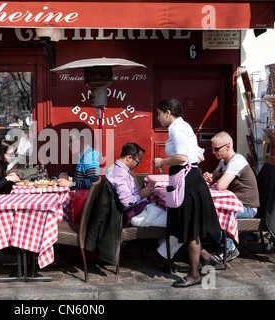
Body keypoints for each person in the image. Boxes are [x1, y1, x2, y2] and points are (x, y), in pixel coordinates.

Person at [153, 98, 222, 288]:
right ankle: (207, 258)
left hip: (187, 182)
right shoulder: (184, 127)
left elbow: (182, 158)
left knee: (190, 230)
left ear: (168, 112)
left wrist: (162, 162)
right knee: (189, 227)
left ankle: (194, 275)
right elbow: (200, 154)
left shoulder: (177, 129)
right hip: (191, 180)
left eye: (159, 113)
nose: (157, 118)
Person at [106, 142, 183, 262]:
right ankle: (161, 254)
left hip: (142, 211)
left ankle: (161, 246)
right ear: (129, 158)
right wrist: (142, 194)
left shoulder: (118, 170)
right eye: (138, 162)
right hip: (139, 214)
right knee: (183, 223)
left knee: (179, 219)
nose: (137, 165)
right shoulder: (120, 175)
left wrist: (143, 194)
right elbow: (127, 202)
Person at [203, 131, 260, 261]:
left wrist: (215, 180)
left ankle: (229, 248)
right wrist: (209, 177)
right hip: (235, 203)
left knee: (210, 215)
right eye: (212, 149)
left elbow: (221, 185)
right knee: (207, 211)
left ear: (228, 146)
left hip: (247, 207)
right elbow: (214, 177)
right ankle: (223, 244)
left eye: (216, 149)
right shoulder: (224, 161)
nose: (213, 152)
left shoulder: (237, 161)